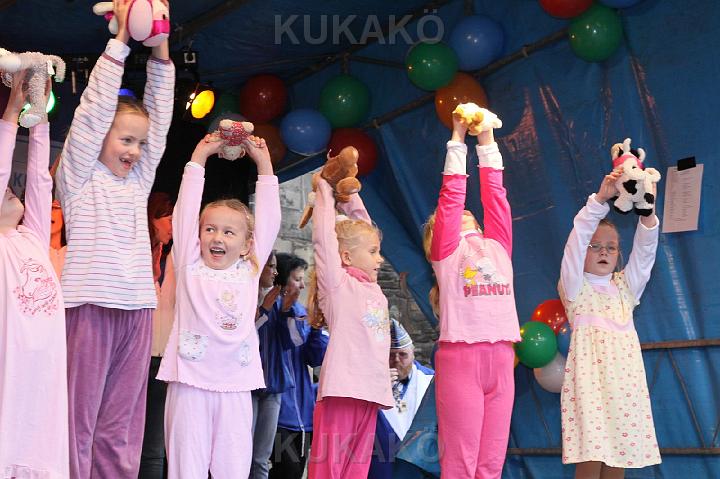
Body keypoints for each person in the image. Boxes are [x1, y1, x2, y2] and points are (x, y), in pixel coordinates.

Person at [55, 1, 175, 476]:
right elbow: (91, 114)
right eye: (125, 140)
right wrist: (121, 40)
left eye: (139, 143)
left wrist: (161, 48)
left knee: (121, 427)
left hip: (137, 308)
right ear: (100, 138)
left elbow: (159, 123)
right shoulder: (78, 177)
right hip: (89, 305)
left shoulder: (138, 182)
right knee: (78, 420)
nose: (135, 151)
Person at [157, 132, 280, 478]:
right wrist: (200, 155)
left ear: (246, 244)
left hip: (235, 385)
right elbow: (185, 212)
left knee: (233, 470)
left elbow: (269, 220)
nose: (217, 237)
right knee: (186, 469)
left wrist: (263, 163)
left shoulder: (250, 269)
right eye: (210, 229)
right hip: (189, 383)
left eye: (229, 232)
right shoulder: (189, 264)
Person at [423, 107, 520, 478]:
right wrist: (458, 138)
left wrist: (487, 140)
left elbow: (496, 195)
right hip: (462, 358)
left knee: (491, 463)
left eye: (469, 212)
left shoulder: (498, 244)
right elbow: (451, 197)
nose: (462, 211)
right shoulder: (447, 251)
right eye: (448, 217)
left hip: (502, 357)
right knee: (460, 462)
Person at [559, 168, 661, 478]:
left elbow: (645, 254)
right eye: (595, 246)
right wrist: (599, 201)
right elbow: (576, 241)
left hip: (625, 388)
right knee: (591, 455)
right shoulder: (575, 286)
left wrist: (648, 215)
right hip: (590, 386)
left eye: (611, 247)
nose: (604, 251)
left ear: (618, 254)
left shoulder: (625, 288)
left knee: (620, 456)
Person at [0, 69, 68, 479]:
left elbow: (41, 181)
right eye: (5, 189)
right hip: (11, 373)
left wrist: (39, 112)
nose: (12, 189)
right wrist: (11, 111)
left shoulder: (33, 237)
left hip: (43, 380)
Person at [306, 166, 394, 478]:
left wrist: (351, 195)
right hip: (342, 391)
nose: (379, 258)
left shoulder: (374, 289)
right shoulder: (338, 285)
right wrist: (325, 192)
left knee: (357, 470)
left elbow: (363, 229)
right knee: (329, 468)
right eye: (373, 252)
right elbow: (324, 241)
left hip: (371, 392)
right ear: (345, 257)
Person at [269, 253, 329, 479]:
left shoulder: (303, 312)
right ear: (282, 279)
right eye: (297, 279)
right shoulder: (268, 309)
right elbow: (291, 341)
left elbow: (315, 358)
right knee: (286, 470)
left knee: (294, 473)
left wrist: (317, 328)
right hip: (277, 406)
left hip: (303, 411)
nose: (303, 285)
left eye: (303, 279)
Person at [139, 192, 176, 478]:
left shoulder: (172, 258)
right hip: (135, 360)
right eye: (169, 219)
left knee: (154, 447)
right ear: (152, 218)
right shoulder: (136, 254)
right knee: (123, 435)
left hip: (163, 363)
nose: (174, 226)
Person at [368, 319, 434, 479]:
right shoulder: (367, 382)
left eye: (403, 354)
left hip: (420, 462)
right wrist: (376, 389)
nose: (397, 360)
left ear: (413, 353)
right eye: (391, 355)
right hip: (380, 462)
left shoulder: (430, 380)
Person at [250, 250, 287, 479]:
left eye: (276, 267)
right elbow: (244, 335)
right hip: (247, 385)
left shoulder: (280, 301)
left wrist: (288, 311)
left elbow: (291, 342)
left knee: (261, 457)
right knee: (242, 451)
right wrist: (263, 309)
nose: (275, 272)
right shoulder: (244, 295)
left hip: (272, 384)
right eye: (270, 266)